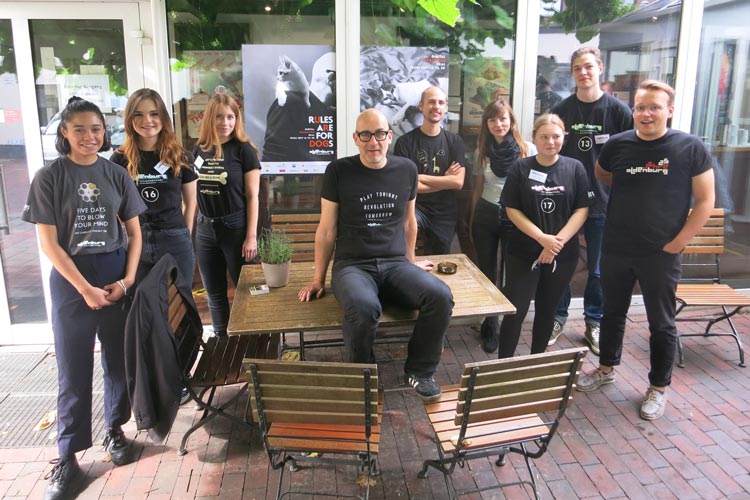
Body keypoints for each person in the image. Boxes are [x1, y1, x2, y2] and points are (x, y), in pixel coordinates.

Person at [22, 97, 145, 500]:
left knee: (117, 360)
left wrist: (126, 281)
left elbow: (134, 232)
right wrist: (83, 288)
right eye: (79, 129)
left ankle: (115, 430)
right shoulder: (49, 178)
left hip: (112, 274)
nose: (89, 136)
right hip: (71, 279)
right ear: (64, 132)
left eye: (95, 128)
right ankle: (68, 455)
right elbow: (49, 243)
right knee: (72, 368)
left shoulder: (116, 174)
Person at [575, 80, 715, 421]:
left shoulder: (689, 147)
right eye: (640, 107)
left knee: (661, 324)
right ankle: (606, 368)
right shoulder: (618, 145)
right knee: (611, 314)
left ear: (669, 110)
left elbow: (706, 200)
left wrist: (677, 243)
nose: (646, 114)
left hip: (660, 253)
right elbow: (604, 175)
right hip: (617, 246)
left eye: (654, 107)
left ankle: (658, 387)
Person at [298, 108, 454, 402]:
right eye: (366, 135)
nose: (374, 142)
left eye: (380, 134)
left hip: (395, 264)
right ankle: (363, 377)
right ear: (356, 138)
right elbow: (327, 229)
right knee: (364, 307)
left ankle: (420, 371)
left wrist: (410, 261)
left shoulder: (406, 169)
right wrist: (318, 278)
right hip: (353, 266)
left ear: (389, 136)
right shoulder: (338, 172)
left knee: (440, 296)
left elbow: (410, 221)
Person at [548, 47, 633, 354]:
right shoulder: (563, 109)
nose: (583, 73)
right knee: (561, 263)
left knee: (597, 269)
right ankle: (557, 317)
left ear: (600, 68)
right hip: (565, 202)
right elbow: (550, 153)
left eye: (588, 67)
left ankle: (593, 321)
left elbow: (630, 154)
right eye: (577, 69)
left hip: (603, 202)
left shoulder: (619, 111)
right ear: (572, 74)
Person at [496, 113, 592, 359]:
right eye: (544, 137)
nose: (551, 141)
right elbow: (511, 208)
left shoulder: (575, 168)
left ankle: (536, 362)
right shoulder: (521, 167)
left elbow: (582, 209)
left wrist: (554, 244)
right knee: (515, 310)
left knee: (548, 310)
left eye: (556, 136)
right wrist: (542, 239)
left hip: (562, 255)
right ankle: (503, 365)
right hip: (523, 252)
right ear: (534, 139)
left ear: (564, 137)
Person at [110, 88, 197, 292]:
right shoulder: (119, 159)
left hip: (175, 239)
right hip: (135, 241)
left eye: (154, 114)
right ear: (130, 119)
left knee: (181, 305)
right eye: (138, 115)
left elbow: (191, 202)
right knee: (142, 307)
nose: (147, 120)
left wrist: (185, 234)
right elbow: (115, 205)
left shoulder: (181, 157)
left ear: (163, 118)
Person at [471, 99, 536, 353]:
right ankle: (490, 325)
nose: (498, 124)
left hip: (515, 217)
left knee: (512, 273)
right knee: (487, 272)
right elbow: (477, 189)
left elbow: (531, 190)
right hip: (486, 214)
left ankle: (510, 323)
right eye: (493, 119)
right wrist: (470, 218)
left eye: (503, 119)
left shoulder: (526, 149)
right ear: (486, 124)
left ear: (511, 122)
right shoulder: (482, 152)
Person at [194, 94, 261, 336]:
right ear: (210, 118)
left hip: (235, 229)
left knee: (250, 290)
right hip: (204, 230)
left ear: (237, 119)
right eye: (220, 116)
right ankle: (223, 342)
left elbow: (253, 197)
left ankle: (254, 340)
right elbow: (191, 193)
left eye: (231, 117)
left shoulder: (245, 151)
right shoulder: (200, 151)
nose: (225, 122)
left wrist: (251, 237)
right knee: (214, 293)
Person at [393, 86, 466, 255]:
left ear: (445, 108)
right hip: (415, 207)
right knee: (403, 250)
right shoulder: (405, 143)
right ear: (421, 106)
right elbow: (406, 187)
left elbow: (458, 182)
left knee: (439, 258)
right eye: (431, 102)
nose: (436, 106)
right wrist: (444, 180)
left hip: (444, 212)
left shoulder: (455, 142)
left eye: (441, 102)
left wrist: (419, 177)